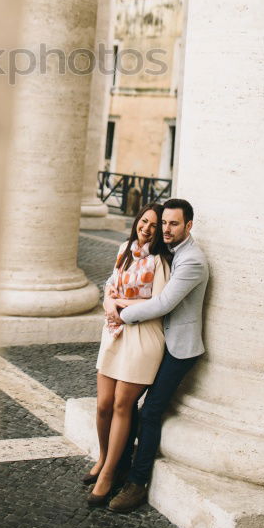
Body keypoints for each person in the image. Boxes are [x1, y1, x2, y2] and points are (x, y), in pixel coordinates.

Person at [106, 197, 209, 513]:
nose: (165, 229)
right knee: (127, 403)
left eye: (173, 224)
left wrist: (122, 313)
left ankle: (137, 484)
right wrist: (114, 298)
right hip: (159, 340)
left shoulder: (192, 261)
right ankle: (119, 466)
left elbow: (163, 304)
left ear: (188, 226)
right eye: (164, 222)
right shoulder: (168, 250)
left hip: (180, 349)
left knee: (149, 410)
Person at [84, 202, 172, 507]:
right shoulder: (124, 248)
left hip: (143, 337)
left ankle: (109, 474)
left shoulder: (161, 261)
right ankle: (103, 458)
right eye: (144, 222)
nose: (146, 229)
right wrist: (111, 302)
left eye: (154, 225)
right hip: (114, 332)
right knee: (103, 405)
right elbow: (110, 284)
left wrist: (119, 304)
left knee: (123, 404)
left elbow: (157, 303)